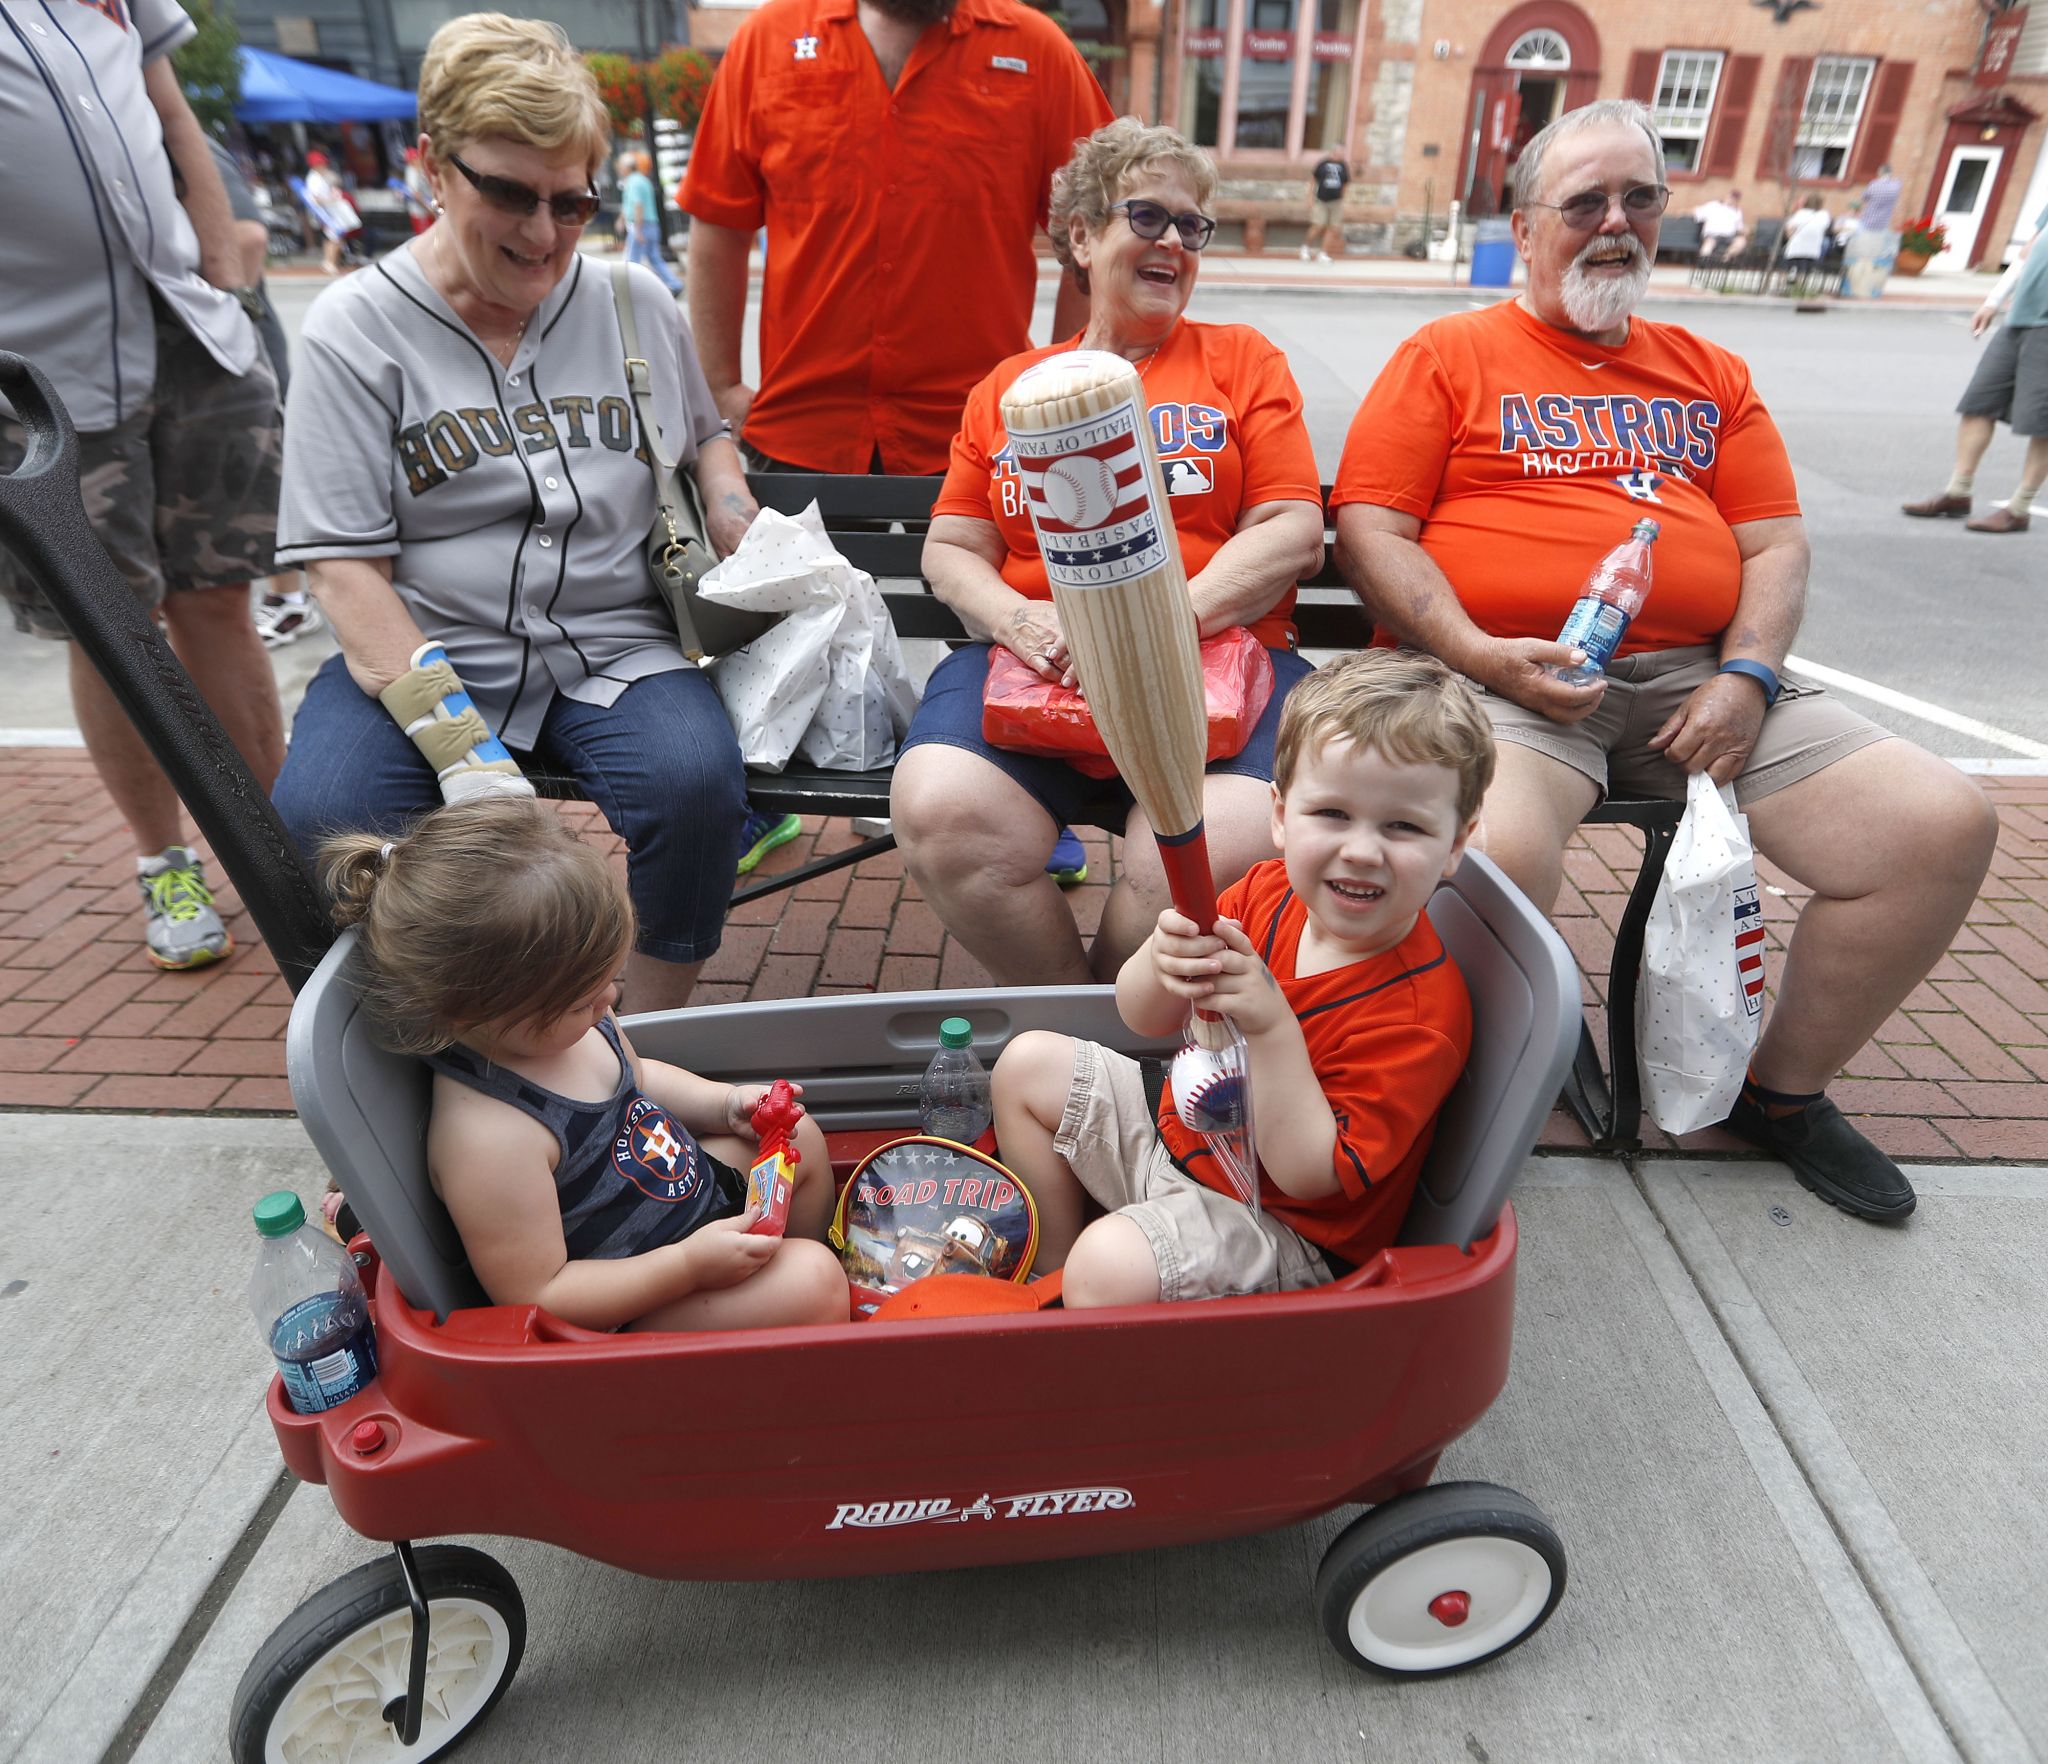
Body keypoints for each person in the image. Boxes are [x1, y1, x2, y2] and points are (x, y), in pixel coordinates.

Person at [1331, 98, 1997, 1224]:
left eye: (1638, 198)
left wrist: (1748, 677)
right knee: (1494, 851)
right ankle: (1463, 1093)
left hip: (1697, 677)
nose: (1613, 223)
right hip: (1505, 681)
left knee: (1938, 825)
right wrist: (1477, 654)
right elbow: (1369, 532)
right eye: (1582, 201)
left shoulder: (1707, 371)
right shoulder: (1446, 355)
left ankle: (1778, 1095)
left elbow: (1773, 543)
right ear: (1524, 222)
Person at [272, 12, 758, 1013]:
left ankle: (644, 1048)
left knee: (695, 785)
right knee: (322, 816)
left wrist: (724, 492)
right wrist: (460, 749)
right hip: (425, 647)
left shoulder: (631, 298)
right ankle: (429, 1059)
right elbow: (343, 572)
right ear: (432, 168)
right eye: (508, 192)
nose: (543, 234)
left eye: (571, 201)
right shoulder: (353, 329)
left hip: (613, 640)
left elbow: (705, 426)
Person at [892, 120, 1326, 986]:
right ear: (1084, 236)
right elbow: (950, 548)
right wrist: (1023, 621)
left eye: (1191, 225)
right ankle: (1074, 1019)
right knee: (943, 810)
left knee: (1215, 841)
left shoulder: (1240, 361)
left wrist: (1150, 628)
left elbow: (1292, 529)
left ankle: (1125, 1019)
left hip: (1220, 668)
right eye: (1150, 216)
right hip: (1038, 667)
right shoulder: (1011, 388)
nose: (1175, 241)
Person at [990, 652, 1487, 1306]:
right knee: (1025, 1064)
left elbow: (1308, 1175)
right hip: (1180, 1140)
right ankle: (1047, 1275)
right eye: (1332, 814)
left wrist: (1272, 1025)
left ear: (1455, 843)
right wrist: (1161, 960)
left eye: (1404, 826)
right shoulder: (1263, 890)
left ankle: (1093, 1300)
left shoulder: (1421, 1015)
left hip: (1281, 1229)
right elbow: (1146, 1018)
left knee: (1108, 1266)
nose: (1362, 849)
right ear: (1281, 816)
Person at [321, 799, 848, 1331]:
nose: (610, 999)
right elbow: (541, 1294)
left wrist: (724, 1103)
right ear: (471, 1008)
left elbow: (637, 1079)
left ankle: (787, 1313)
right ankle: (803, 1311)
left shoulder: (558, 1026)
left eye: (607, 979)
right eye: (582, 1000)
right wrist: (687, 1267)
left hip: (684, 1209)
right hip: (633, 1302)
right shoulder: (490, 1136)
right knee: (815, 1282)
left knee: (796, 1137)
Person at [1, 0, 287, 971]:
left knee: (220, 600)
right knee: (111, 626)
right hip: (43, 378)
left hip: (190, 334)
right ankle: (163, 862)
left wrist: (220, 267)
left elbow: (171, 110)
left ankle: (281, 849)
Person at [676, 0, 1112, 475]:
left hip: (981, 438)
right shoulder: (766, 43)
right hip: (802, 435)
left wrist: (1066, 389)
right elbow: (719, 221)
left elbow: (1100, 228)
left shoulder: (1038, 51)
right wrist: (719, 388)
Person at [1900, 207, 2048, 535]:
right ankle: (1958, 492)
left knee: (2042, 422)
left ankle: (2019, 508)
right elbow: (2026, 253)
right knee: (1978, 403)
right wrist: (1992, 302)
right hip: (2018, 320)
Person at [616, 149, 683, 296]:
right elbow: (631, 205)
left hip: (641, 225)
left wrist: (638, 230)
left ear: (627, 168)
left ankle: (632, 291)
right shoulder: (643, 180)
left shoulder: (632, 182)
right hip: (652, 224)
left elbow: (637, 205)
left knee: (632, 261)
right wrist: (622, 219)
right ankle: (675, 283)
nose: (619, 170)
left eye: (621, 167)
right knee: (654, 257)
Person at [302, 149, 362, 276]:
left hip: (329, 211)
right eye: (321, 163)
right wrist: (332, 199)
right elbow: (315, 199)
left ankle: (329, 262)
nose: (324, 165)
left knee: (332, 237)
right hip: (325, 212)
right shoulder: (313, 179)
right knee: (336, 237)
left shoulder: (319, 177)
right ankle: (330, 262)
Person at [1779, 193, 1833, 296]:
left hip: (1796, 246)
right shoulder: (1824, 215)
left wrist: (1791, 236)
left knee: (1786, 268)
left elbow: (1789, 228)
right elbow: (1825, 227)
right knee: (1803, 271)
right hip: (1812, 248)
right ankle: (1798, 291)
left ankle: (1783, 289)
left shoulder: (1801, 213)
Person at [1302, 151, 1349, 262]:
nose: (1339, 155)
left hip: (1336, 201)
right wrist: (1309, 196)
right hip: (1321, 200)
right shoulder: (1323, 164)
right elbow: (1313, 180)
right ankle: (1305, 247)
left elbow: (1346, 182)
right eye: (1338, 151)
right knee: (1318, 224)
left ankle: (1323, 253)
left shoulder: (1343, 166)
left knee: (1333, 227)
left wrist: (1343, 198)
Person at [1693, 187, 1746, 260]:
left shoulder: (1737, 211)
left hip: (1728, 237)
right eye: (1731, 196)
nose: (1732, 199)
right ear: (1727, 196)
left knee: (1741, 241)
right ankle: (1704, 260)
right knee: (1709, 243)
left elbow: (1740, 229)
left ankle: (1725, 259)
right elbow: (1697, 212)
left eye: (1735, 198)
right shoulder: (1713, 205)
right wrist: (1682, 212)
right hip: (1712, 234)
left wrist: (1744, 232)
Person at [1859, 165, 1903, 235]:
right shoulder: (1896, 186)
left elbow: (1863, 198)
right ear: (1890, 173)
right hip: (1883, 224)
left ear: (1880, 173)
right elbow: (1899, 181)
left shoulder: (1873, 184)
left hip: (1868, 221)